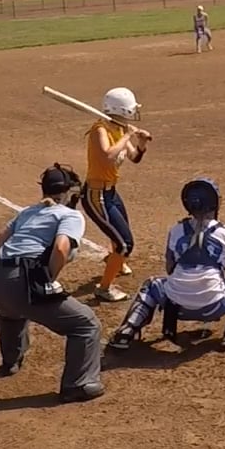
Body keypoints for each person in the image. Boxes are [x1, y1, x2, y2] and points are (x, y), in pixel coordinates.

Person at [0, 164, 105, 403]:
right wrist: (46, 279)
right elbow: (61, 248)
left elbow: (0, 239)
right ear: (68, 192)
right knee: (86, 324)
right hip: (20, 281)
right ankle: (78, 384)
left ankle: (10, 362)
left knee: (12, 312)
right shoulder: (69, 215)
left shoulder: (27, 212)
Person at [108, 178, 225, 352]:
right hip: (215, 306)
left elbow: (170, 269)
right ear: (216, 203)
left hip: (176, 307)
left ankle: (126, 331)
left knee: (151, 285)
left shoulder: (176, 230)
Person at [85, 87, 151, 303]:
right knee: (124, 244)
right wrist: (129, 135)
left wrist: (141, 143)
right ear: (123, 109)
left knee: (122, 236)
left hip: (111, 192)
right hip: (96, 194)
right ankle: (104, 289)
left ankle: (115, 261)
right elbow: (107, 156)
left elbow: (134, 157)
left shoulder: (120, 129)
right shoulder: (100, 130)